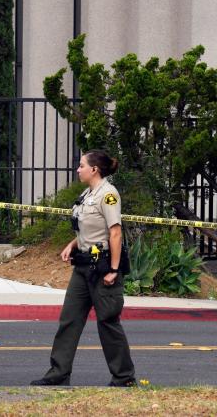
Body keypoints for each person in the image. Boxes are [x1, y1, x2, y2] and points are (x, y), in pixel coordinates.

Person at [31, 149, 136, 387]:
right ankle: (59, 372)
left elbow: (115, 232)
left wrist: (114, 269)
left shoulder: (108, 195)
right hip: (83, 266)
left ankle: (124, 377)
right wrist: (71, 244)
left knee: (108, 322)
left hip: (103, 268)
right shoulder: (86, 193)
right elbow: (88, 230)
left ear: (94, 169)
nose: (78, 169)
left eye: (81, 166)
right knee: (69, 319)